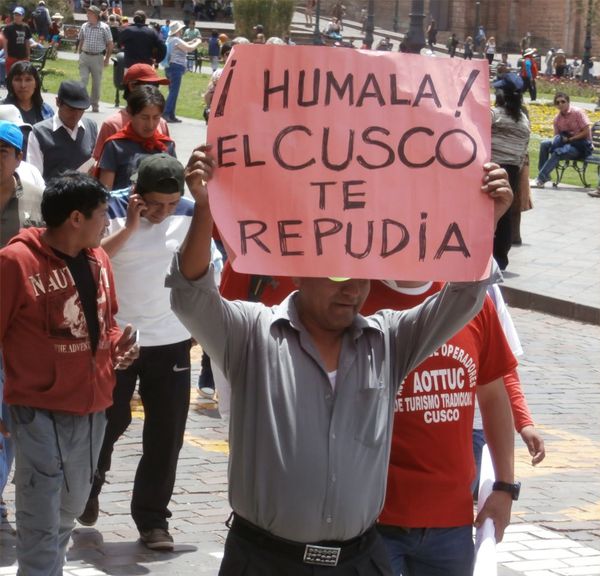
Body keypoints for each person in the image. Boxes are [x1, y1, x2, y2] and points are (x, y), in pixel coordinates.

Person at [165, 146, 513, 574]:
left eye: (361, 276)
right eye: (335, 275)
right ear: (297, 271)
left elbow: (460, 299)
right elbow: (190, 295)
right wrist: (204, 207)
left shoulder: (387, 341)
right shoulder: (252, 335)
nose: (352, 289)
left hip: (359, 561)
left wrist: (486, 222)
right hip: (265, 561)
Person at [77, 153, 222, 549]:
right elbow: (88, 259)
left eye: (170, 205)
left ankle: (153, 519)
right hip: (117, 338)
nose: (163, 212)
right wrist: (133, 226)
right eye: (155, 203)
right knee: (108, 420)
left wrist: (200, 326)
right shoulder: (112, 207)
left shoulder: (194, 213)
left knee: (166, 432)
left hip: (171, 338)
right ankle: (89, 485)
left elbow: (210, 268)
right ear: (137, 191)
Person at [0, 171, 138, 576]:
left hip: (93, 408)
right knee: (42, 519)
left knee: (68, 511)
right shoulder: (15, 262)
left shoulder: (99, 260)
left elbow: (106, 323)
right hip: (37, 411)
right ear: (76, 218)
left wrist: (119, 347)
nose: (107, 222)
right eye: (101, 214)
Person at [365, 278, 517, 576]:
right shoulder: (357, 298)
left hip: (451, 525)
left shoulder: (469, 300)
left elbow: (494, 396)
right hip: (373, 524)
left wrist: (505, 487)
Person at [0, 120, 45, 521]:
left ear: (17, 158)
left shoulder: (36, 198)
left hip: (18, 324)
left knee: (7, 415)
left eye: (2, 152)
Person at [96, 85, 175, 190]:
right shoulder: (115, 146)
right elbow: (105, 195)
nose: (150, 125)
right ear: (130, 114)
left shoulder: (167, 146)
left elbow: (174, 189)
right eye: (144, 117)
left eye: (156, 118)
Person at [490, 72, 530, 271]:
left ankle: (487, 255)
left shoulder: (495, 115)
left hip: (492, 167)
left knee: (490, 212)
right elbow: (524, 147)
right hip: (513, 169)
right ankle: (501, 259)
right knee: (505, 214)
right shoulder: (524, 119)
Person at [93, 63, 170, 160]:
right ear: (132, 86)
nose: (151, 124)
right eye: (151, 86)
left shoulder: (162, 123)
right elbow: (99, 163)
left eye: (157, 86)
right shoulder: (112, 125)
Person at [28, 81, 97, 181]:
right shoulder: (39, 133)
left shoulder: (92, 127)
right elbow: (34, 178)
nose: (76, 115)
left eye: (81, 110)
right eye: (71, 109)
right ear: (58, 102)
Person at [533, 92, 593, 188]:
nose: (560, 104)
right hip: (567, 144)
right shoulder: (557, 119)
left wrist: (570, 139)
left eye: (563, 101)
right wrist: (558, 141)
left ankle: (541, 179)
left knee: (558, 152)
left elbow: (586, 132)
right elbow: (557, 137)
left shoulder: (578, 112)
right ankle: (544, 175)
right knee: (544, 144)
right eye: (557, 103)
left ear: (568, 102)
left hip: (582, 146)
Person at [163, 21, 202, 123]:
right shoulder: (176, 39)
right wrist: (198, 42)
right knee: (173, 92)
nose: (182, 31)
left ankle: (171, 114)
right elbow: (189, 49)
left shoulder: (171, 39)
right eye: (180, 29)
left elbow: (184, 45)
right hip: (176, 67)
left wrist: (192, 41)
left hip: (170, 67)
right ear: (178, 31)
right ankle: (166, 113)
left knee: (173, 91)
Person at [77, 5, 114, 113]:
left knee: (96, 83)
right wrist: (80, 55)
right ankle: (80, 103)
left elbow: (110, 44)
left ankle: (94, 104)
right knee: (83, 80)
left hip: (97, 57)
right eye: (87, 13)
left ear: (96, 15)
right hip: (85, 56)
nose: (87, 15)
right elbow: (81, 40)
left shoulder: (104, 27)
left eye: (90, 13)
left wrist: (107, 58)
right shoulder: (84, 26)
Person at [2, 61, 54, 128]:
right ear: (11, 83)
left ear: (36, 83)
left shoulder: (46, 111)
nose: (23, 85)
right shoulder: (2, 109)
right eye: (18, 80)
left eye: (28, 80)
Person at [3, 7, 32, 75]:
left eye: (19, 15)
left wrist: (28, 55)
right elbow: (5, 42)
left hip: (23, 57)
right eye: (15, 15)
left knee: (22, 75)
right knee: (10, 76)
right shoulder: (8, 27)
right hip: (11, 56)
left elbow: (27, 42)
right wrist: (6, 55)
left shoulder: (26, 27)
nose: (17, 17)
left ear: (23, 16)